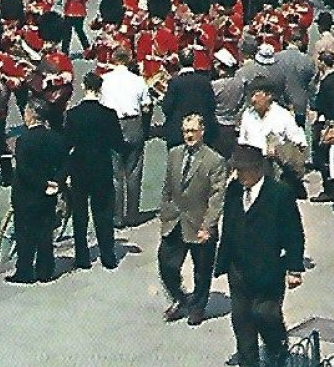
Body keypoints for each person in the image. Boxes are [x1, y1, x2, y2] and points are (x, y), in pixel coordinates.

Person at [215, 144, 306, 367]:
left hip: (268, 268)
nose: (238, 175)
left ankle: (276, 351)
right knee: (241, 317)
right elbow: (230, 225)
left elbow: (294, 233)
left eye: (242, 170)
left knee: (264, 313)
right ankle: (249, 365)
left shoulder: (279, 194)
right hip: (239, 266)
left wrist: (294, 268)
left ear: (257, 170)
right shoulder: (234, 190)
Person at [158, 115, 226, 326]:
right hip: (175, 221)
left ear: (202, 132)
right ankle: (180, 298)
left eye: (193, 131)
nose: (189, 135)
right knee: (166, 264)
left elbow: (217, 198)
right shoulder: (174, 154)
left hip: (200, 223)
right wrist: (165, 211)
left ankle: (198, 307)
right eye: (186, 131)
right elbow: (167, 186)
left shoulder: (214, 160)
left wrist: (209, 226)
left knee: (202, 270)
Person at [64, 71, 126, 271]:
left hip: (79, 166)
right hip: (101, 166)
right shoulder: (109, 114)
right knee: (103, 212)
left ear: (84, 86)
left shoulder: (73, 114)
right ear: (100, 89)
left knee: (80, 213)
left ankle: (82, 256)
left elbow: (68, 142)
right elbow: (117, 143)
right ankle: (108, 255)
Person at [7, 100, 69, 284]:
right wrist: (56, 182)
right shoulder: (56, 138)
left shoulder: (24, 140)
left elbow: (25, 171)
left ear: (32, 115)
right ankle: (45, 270)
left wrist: (43, 184)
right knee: (45, 233)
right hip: (48, 195)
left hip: (27, 194)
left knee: (25, 234)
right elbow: (66, 163)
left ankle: (24, 271)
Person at [100, 46, 155, 227]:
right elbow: (147, 106)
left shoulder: (105, 80)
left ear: (113, 59)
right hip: (133, 123)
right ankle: (132, 214)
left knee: (115, 173)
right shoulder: (138, 80)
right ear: (129, 58)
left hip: (111, 123)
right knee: (134, 170)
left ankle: (117, 215)